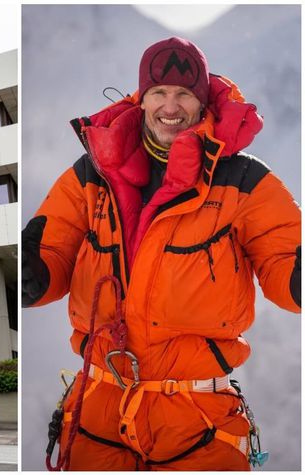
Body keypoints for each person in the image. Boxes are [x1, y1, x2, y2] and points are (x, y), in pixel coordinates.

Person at [23, 37, 301, 471]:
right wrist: (29, 272)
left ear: (202, 100)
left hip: (198, 424)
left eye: (184, 94)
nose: (170, 106)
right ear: (142, 99)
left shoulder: (245, 180)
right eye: (159, 93)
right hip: (97, 416)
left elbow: (286, 266)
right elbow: (50, 254)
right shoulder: (93, 174)